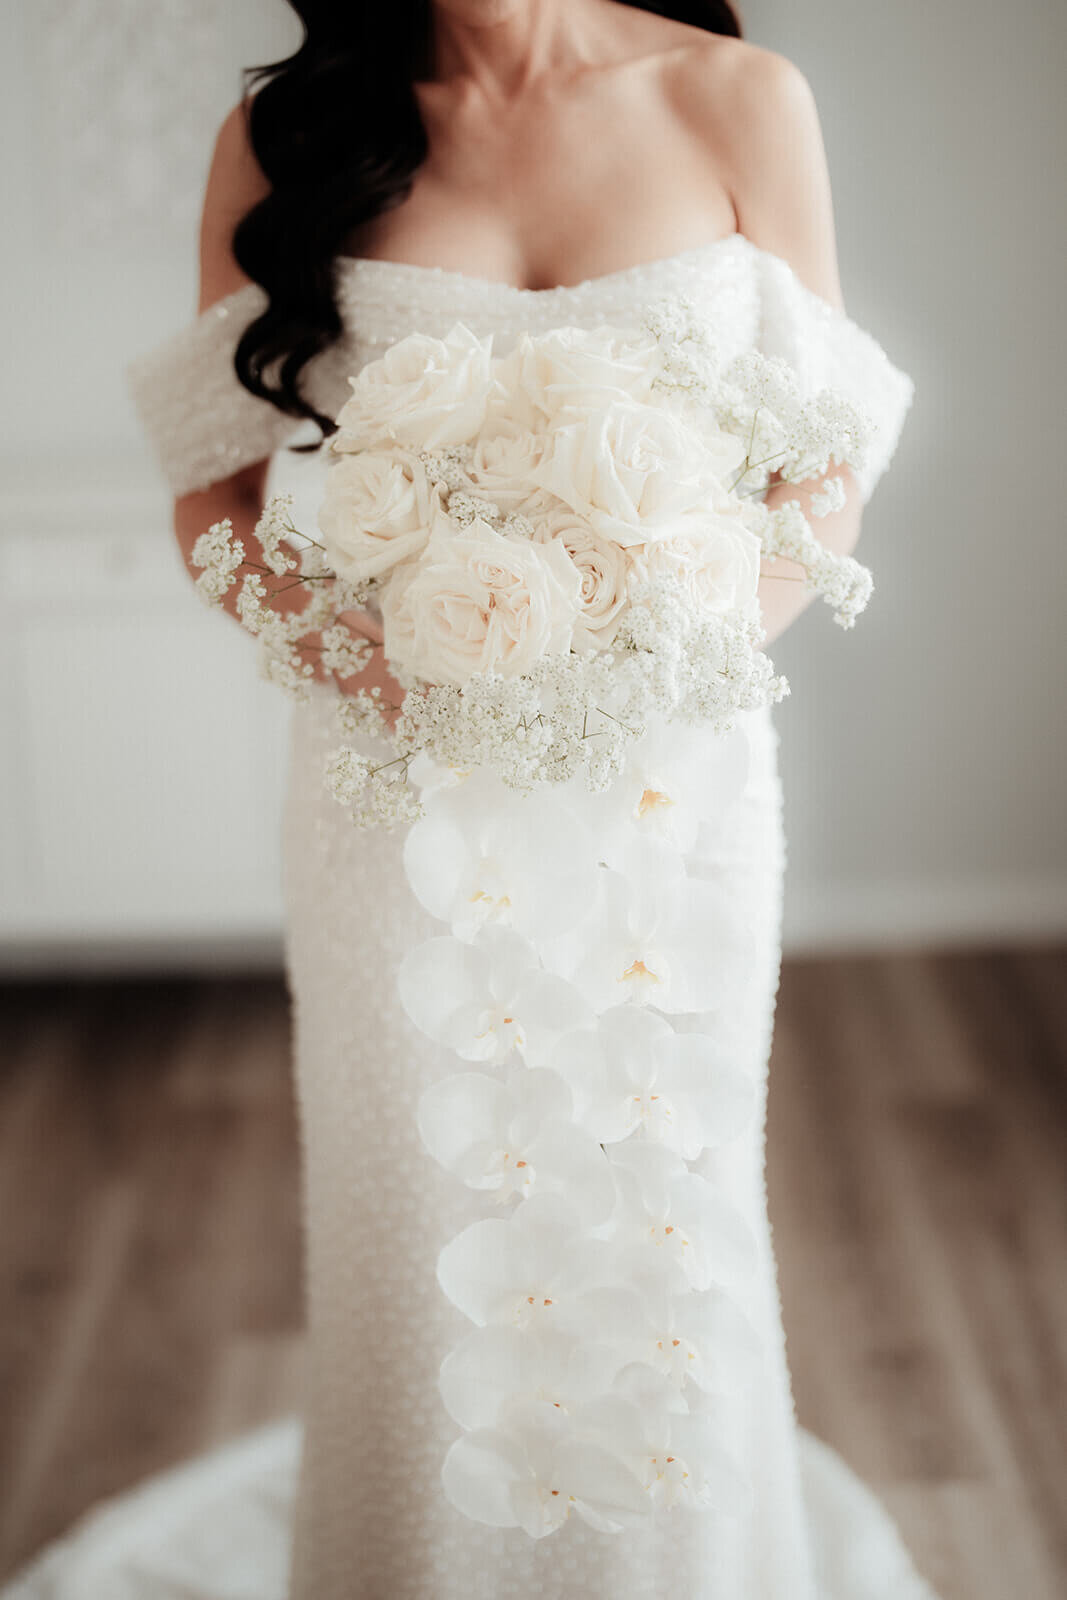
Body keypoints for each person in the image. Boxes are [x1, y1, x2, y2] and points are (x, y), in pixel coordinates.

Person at [4, 3, 932, 1597]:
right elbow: (211, 484)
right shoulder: (295, 136)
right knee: (425, 1226)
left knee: (663, 1212)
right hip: (397, 791)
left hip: (670, 783)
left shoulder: (737, 98)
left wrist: (658, 656)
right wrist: (388, 679)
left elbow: (828, 454)